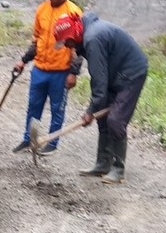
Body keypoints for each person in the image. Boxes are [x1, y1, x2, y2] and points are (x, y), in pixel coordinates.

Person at [52, 12, 148, 185]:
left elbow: (99, 82)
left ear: (74, 35)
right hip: (115, 72)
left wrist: (90, 111)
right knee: (103, 118)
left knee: (116, 120)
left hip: (132, 73)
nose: (66, 46)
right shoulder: (86, 34)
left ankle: (118, 170)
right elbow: (99, 79)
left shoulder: (93, 39)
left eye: (67, 42)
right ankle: (103, 164)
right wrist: (95, 109)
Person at [11, 0, 83, 153]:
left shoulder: (74, 12)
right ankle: (28, 140)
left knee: (57, 109)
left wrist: (74, 73)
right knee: (33, 106)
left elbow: (79, 47)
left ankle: (52, 144)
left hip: (61, 71)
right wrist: (23, 61)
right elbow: (37, 41)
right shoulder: (41, 10)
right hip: (40, 70)